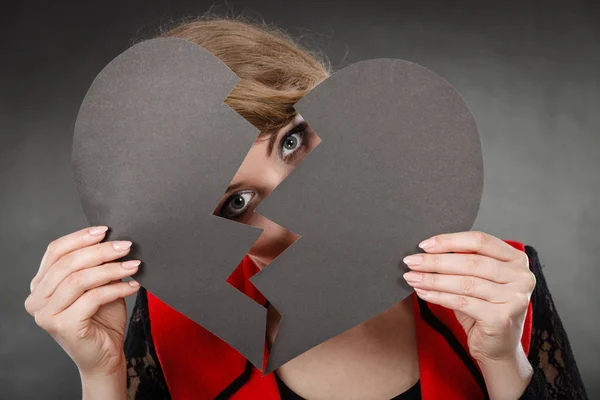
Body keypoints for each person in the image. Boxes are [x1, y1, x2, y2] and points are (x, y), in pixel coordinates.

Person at [24, 15, 588, 400]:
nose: (293, 212)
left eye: (291, 143)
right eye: (237, 201)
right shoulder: (169, 324)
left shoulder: (501, 284)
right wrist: (101, 377)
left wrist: (502, 363)